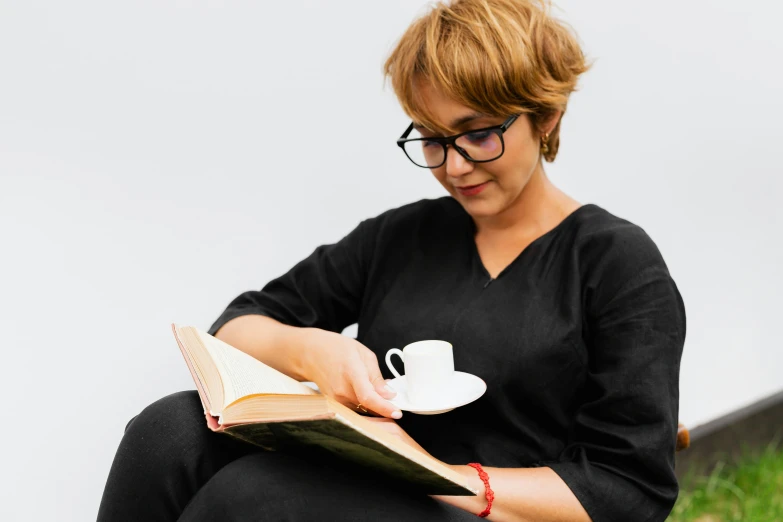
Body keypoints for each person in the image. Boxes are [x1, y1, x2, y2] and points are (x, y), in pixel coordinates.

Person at [97, 0, 686, 520]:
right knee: (167, 431)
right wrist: (311, 350)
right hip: (374, 486)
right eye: (431, 138)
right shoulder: (404, 237)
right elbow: (237, 328)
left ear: (547, 115)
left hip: (495, 510)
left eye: (479, 134)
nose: (453, 167)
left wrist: (439, 476)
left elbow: (626, 489)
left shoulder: (617, 264)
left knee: (255, 497)